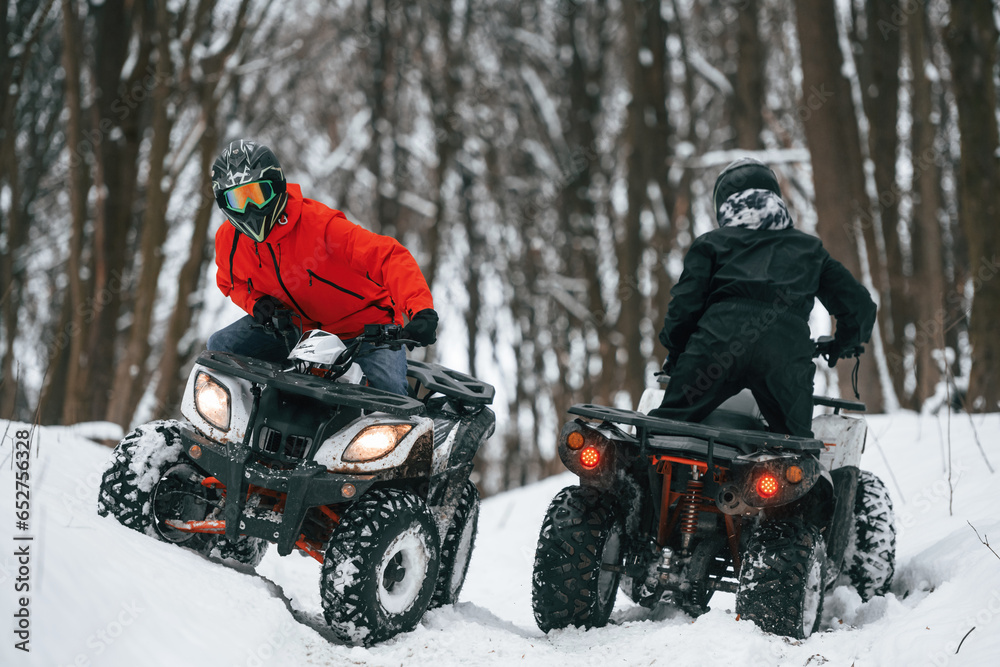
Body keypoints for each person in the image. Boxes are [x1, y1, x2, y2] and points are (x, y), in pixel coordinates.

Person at [648, 157, 877, 437]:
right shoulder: (809, 249)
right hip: (783, 353)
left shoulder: (712, 244)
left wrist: (677, 353)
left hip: (716, 347)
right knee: (794, 452)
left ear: (724, 204)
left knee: (662, 433)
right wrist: (844, 343)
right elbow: (859, 306)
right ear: (775, 198)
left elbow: (684, 308)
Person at [206, 139, 437, 395]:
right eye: (237, 199)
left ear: (277, 186)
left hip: (365, 332)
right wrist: (257, 303)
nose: (249, 208)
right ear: (224, 203)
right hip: (293, 330)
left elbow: (389, 257)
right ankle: (236, 423)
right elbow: (231, 282)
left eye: (257, 195)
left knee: (389, 395)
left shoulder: (320, 226)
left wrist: (421, 311)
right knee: (220, 347)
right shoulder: (229, 240)